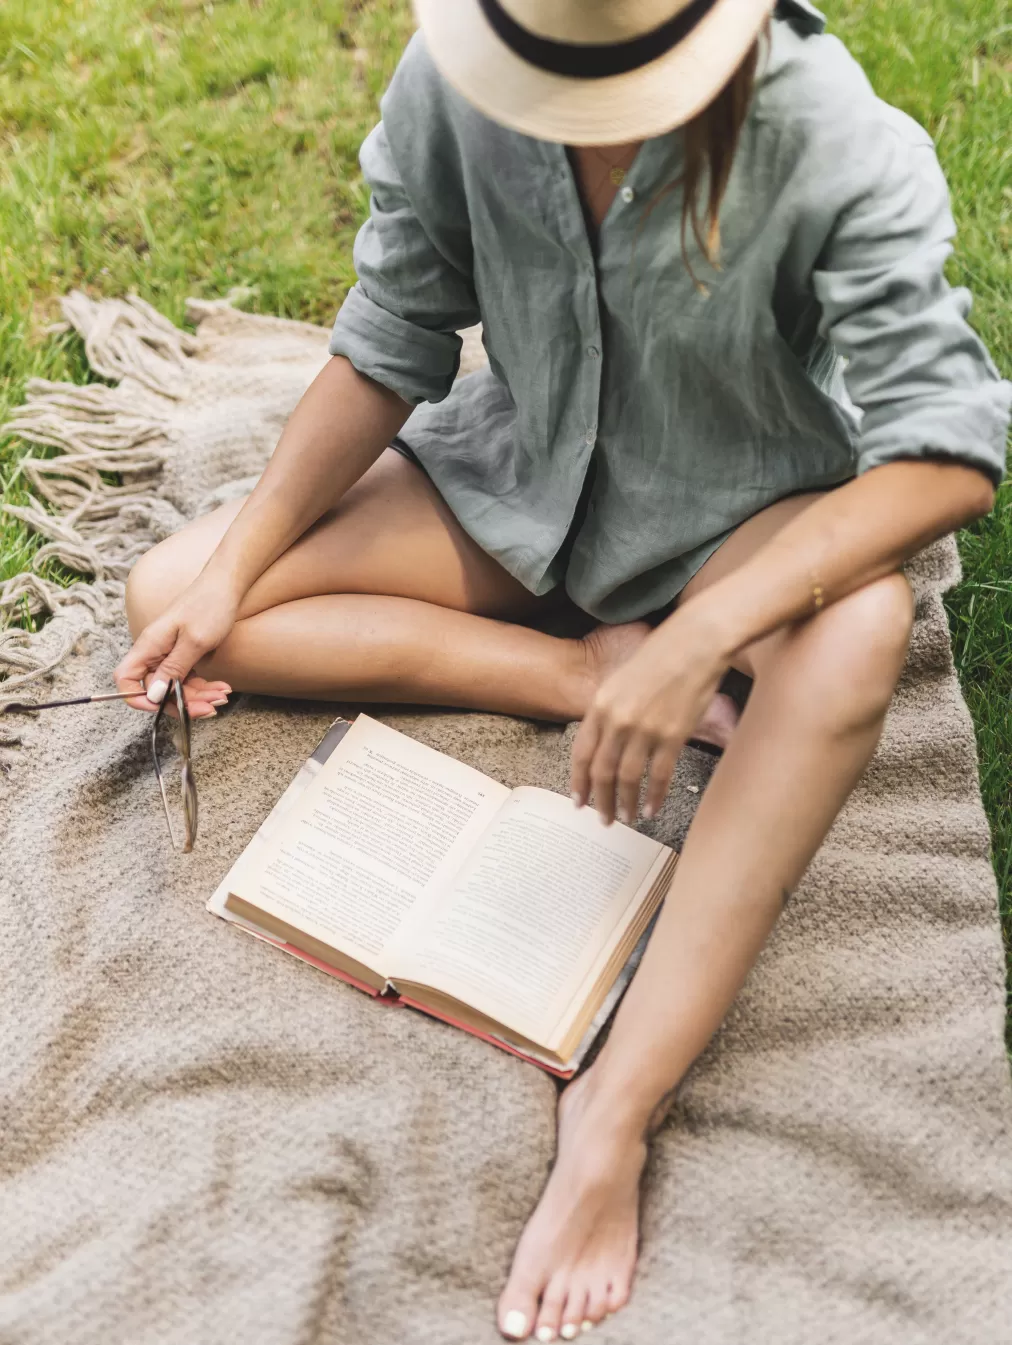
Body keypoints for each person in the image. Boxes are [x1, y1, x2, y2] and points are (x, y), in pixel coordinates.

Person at [116, 0, 1010, 1338]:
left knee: (860, 630)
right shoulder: (459, 66)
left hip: (740, 528)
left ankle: (615, 1112)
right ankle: (579, 673)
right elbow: (392, 330)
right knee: (175, 592)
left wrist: (703, 634)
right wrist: (237, 568)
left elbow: (950, 454)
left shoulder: (829, 131)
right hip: (522, 486)